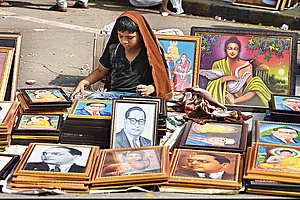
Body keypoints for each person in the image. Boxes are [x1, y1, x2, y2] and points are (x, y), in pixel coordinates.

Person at [70, 11, 172, 101]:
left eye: (130, 37)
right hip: (113, 95)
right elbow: (101, 71)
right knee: (91, 101)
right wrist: (84, 82)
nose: (124, 41)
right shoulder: (113, 49)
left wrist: (150, 88)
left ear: (141, 35)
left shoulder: (150, 53)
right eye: (120, 36)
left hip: (139, 97)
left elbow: (161, 79)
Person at [200, 36, 272, 107]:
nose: (232, 51)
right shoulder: (218, 64)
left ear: (239, 50)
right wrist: (228, 78)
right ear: (225, 49)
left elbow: (253, 89)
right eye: (229, 48)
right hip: (223, 100)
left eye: (235, 49)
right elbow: (212, 85)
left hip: (242, 102)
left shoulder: (247, 65)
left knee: (256, 81)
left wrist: (234, 100)